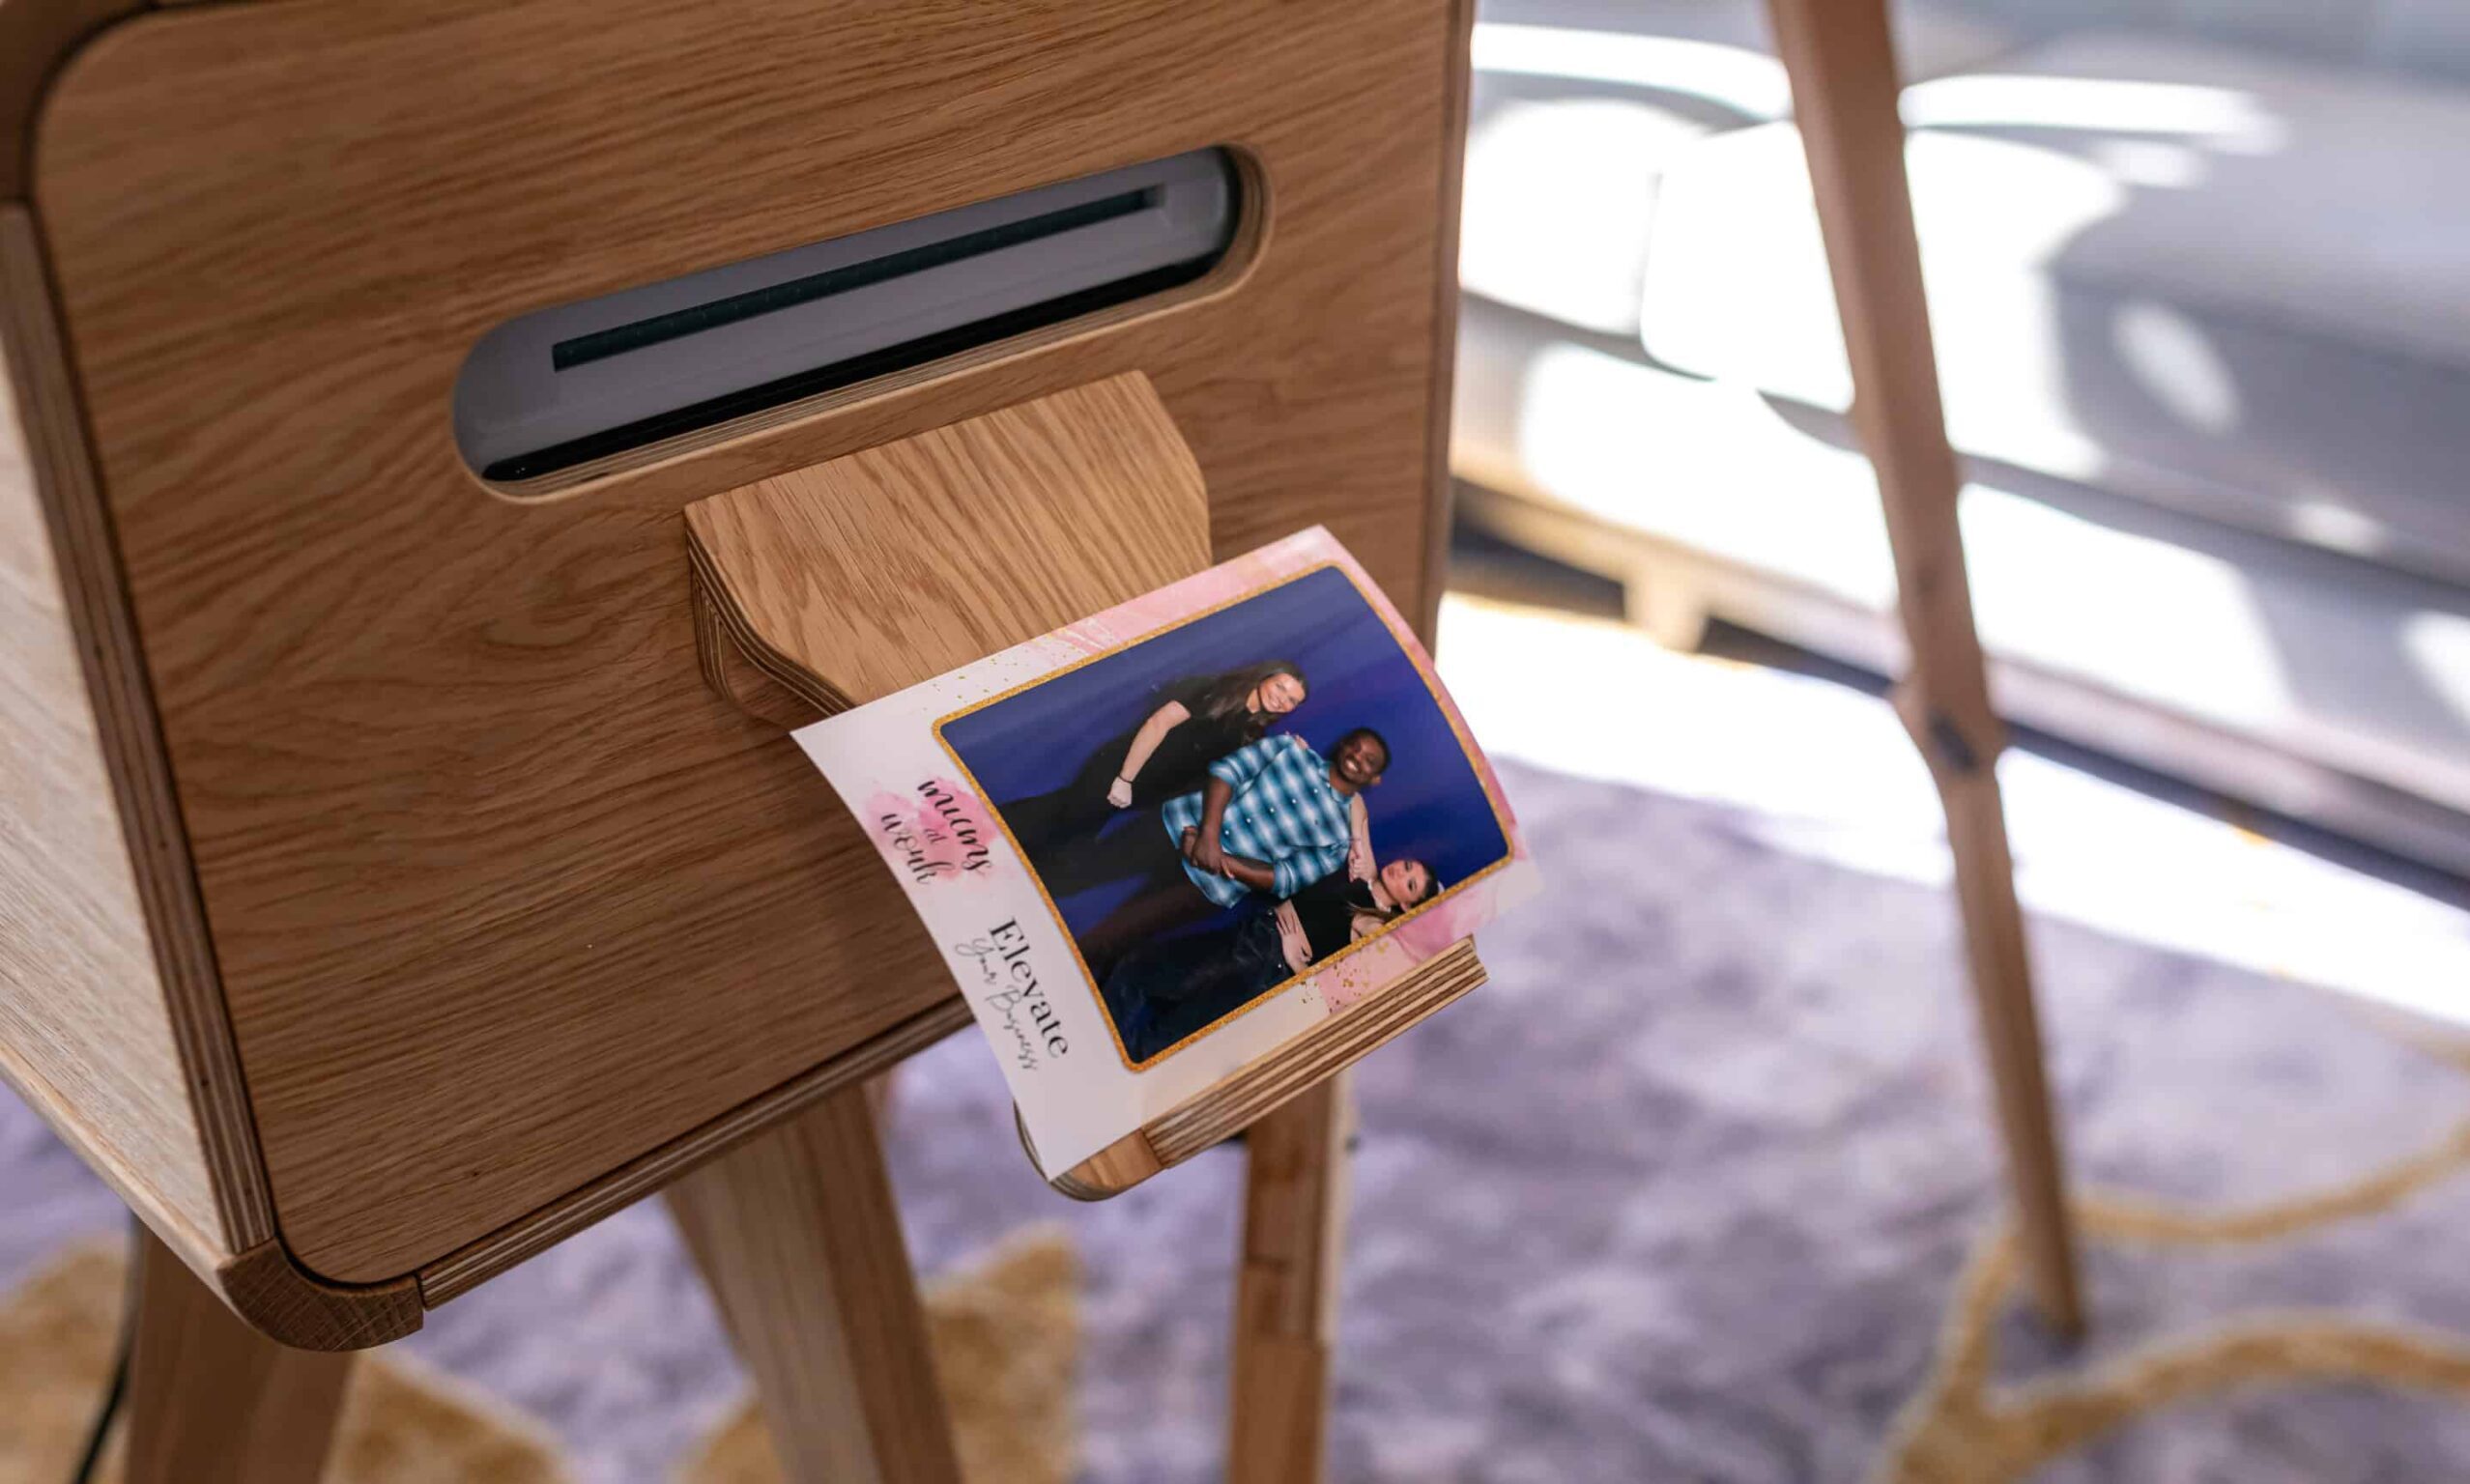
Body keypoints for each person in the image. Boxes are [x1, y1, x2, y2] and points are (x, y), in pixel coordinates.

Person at [1040, 727, 1393, 982]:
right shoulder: (1289, 750)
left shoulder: (1337, 839)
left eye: (1369, 759)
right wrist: (1207, 836)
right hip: (1176, 826)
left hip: (1208, 889)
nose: (1358, 757)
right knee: (1080, 870)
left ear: (1374, 778)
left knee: (1115, 938)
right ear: (1344, 744)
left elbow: (1285, 878)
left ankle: (1049, 982)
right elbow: (1227, 771)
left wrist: (1216, 858)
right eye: (1356, 747)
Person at [1104, 856, 1438, 1059]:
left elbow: (1341, 989)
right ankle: (1103, 1057)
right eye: (1408, 867)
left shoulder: (1375, 926)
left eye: (1409, 884)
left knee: (1152, 993)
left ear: (1406, 906)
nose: (1400, 873)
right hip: (1254, 938)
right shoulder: (1360, 878)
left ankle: (1100, 1061)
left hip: (1264, 957)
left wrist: (1296, 965)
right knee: (1169, 1015)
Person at [998, 661, 1307, 860]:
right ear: (1264, 676)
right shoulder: (1215, 689)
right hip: (1123, 767)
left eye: (1292, 700)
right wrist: (1124, 779)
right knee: (1061, 823)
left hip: (1141, 790)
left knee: (1063, 821)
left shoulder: (1252, 733)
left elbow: (1235, 779)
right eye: (1280, 687)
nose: (1282, 699)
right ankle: (988, 838)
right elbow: (1158, 723)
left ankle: (991, 842)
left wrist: (1286, 754)